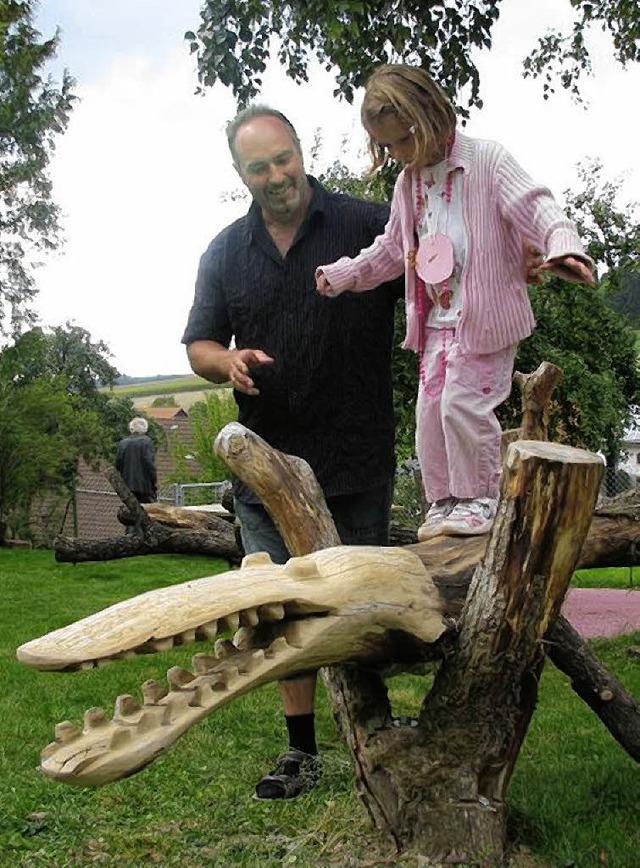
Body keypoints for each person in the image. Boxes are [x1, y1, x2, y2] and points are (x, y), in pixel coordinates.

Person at [181, 105, 403, 800]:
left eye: (283, 159)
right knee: (282, 610)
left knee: (360, 605)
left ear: (301, 151)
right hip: (268, 462)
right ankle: (301, 751)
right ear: (239, 174)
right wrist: (228, 364)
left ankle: (379, 731)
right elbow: (199, 343)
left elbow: (432, 274)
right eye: (259, 167)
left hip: (354, 451)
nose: (277, 176)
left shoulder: (366, 223)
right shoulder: (223, 252)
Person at [316, 64, 594, 542]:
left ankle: (480, 497)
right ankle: (444, 500)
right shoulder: (408, 183)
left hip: (484, 319)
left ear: (429, 117)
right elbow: (390, 249)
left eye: (403, 140)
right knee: (430, 412)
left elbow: (536, 205)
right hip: (438, 324)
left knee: (462, 406)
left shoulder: (487, 161)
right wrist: (345, 274)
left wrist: (562, 241)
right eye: (387, 147)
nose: (398, 154)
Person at [115, 417, 158, 507]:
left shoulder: (123, 443)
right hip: (145, 487)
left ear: (131, 429)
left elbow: (118, 464)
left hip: (127, 487)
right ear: (145, 429)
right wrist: (154, 481)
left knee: (132, 512)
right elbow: (149, 464)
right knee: (148, 513)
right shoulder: (146, 442)